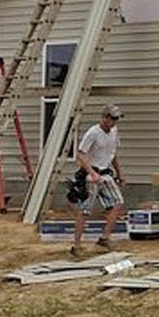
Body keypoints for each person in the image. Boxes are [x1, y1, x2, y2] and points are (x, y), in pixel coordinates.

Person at [68, 104, 126, 257]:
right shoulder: (93, 133)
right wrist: (91, 173)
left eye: (116, 119)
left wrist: (120, 175)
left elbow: (113, 155)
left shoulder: (114, 132)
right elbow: (81, 154)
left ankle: (104, 238)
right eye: (112, 118)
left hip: (105, 173)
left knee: (117, 202)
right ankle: (76, 245)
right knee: (85, 210)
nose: (114, 122)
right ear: (104, 117)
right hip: (91, 174)